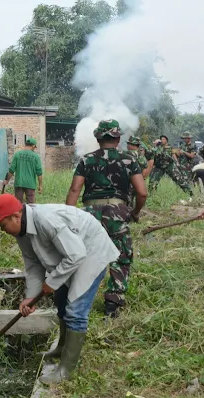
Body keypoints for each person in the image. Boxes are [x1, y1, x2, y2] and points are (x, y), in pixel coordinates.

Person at [0, 194, 119, 384]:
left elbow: (77, 254)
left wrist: (52, 281)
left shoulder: (47, 220)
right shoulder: (21, 230)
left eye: (2, 224)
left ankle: (66, 371)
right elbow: (33, 265)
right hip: (70, 255)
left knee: (75, 310)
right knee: (61, 301)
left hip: (90, 251)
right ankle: (61, 347)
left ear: (16, 215)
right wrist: (30, 297)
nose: (2, 229)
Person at [65, 119, 147, 317]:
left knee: (86, 255)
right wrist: (134, 212)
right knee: (121, 255)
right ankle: (113, 302)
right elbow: (142, 192)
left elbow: (75, 189)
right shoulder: (129, 159)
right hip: (117, 212)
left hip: (90, 214)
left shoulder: (86, 160)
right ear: (118, 138)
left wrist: (69, 217)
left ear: (97, 138)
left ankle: (77, 298)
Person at [3, 137, 43, 203]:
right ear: (33, 146)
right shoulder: (36, 157)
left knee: (18, 205)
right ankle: (28, 213)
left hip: (19, 183)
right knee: (31, 206)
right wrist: (40, 186)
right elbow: (39, 173)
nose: (34, 149)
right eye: (34, 147)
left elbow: (11, 170)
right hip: (30, 184)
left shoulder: (17, 154)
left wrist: (7, 180)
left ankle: (19, 213)